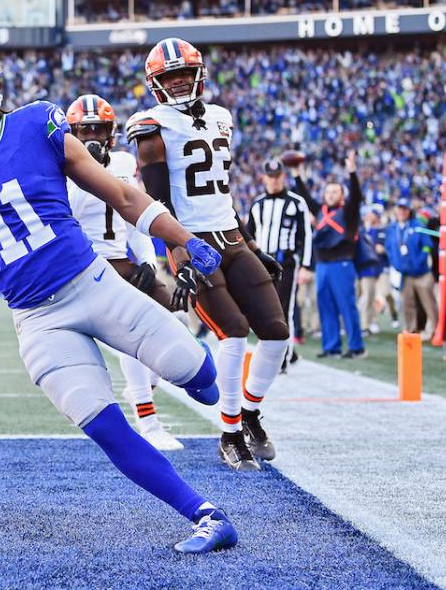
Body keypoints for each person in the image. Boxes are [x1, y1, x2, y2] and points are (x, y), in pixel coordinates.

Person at [0, 37, 236, 554]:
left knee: (200, 378)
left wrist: (183, 240)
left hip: (95, 284)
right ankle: (205, 514)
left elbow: (123, 195)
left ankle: (206, 376)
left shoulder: (36, 123)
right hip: (37, 320)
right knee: (104, 425)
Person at [126, 37, 289, 472]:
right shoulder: (151, 126)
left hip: (231, 237)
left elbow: (222, 192)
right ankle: (230, 432)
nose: (179, 84)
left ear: (198, 75)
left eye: (184, 74)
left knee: (276, 331)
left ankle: (249, 412)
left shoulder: (221, 117)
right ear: (156, 84)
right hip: (193, 240)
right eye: (170, 77)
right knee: (233, 331)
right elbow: (159, 203)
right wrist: (178, 257)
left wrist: (252, 244)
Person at [65, 93, 183, 452]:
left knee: (176, 318)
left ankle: (145, 387)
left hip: (121, 260)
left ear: (111, 133)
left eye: (98, 130)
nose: (92, 138)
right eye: (84, 131)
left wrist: (147, 259)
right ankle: (147, 420)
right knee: (132, 333)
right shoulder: (58, 166)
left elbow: (134, 218)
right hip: (80, 264)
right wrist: (85, 169)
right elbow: (66, 209)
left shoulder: (123, 161)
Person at [291, 153, 365, 358]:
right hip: (323, 265)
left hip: (341, 264)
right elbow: (305, 197)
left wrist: (352, 172)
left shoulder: (348, 212)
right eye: (328, 192)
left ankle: (356, 347)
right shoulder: (321, 211)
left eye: (335, 192)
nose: (331, 194)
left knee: (346, 306)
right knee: (325, 306)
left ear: (342, 196)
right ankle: (331, 346)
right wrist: (297, 175)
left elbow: (357, 196)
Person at [246, 158, 313, 370]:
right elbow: (249, 236)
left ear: (282, 177)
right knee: (264, 311)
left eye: (277, 176)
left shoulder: (296, 202)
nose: (274, 181)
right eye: (270, 177)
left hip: (286, 262)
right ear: (264, 177)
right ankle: (281, 355)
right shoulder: (257, 205)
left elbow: (306, 236)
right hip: (262, 262)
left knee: (284, 309)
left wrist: (306, 265)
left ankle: (282, 358)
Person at [385, 198, 438, 341]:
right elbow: (389, 248)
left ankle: (435, 330)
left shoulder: (418, 225)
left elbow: (427, 245)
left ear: (409, 211)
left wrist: (421, 259)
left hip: (422, 273)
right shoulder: (392, 229)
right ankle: (411, 330)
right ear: (395, 210)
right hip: (405, 274)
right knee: (407, 303)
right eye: (399, 209)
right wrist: (395, 263)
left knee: (428, 303)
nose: (402, 212)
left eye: (404, 209)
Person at [357, 204, 388, 334]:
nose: (368, 215)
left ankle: (366, 325)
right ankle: (361, 324)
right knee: (356, 298)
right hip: (357, 268)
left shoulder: (381, 231)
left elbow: (380, 249)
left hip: (371, 269)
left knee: (369, 297)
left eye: (372, 213)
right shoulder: (361, 230)